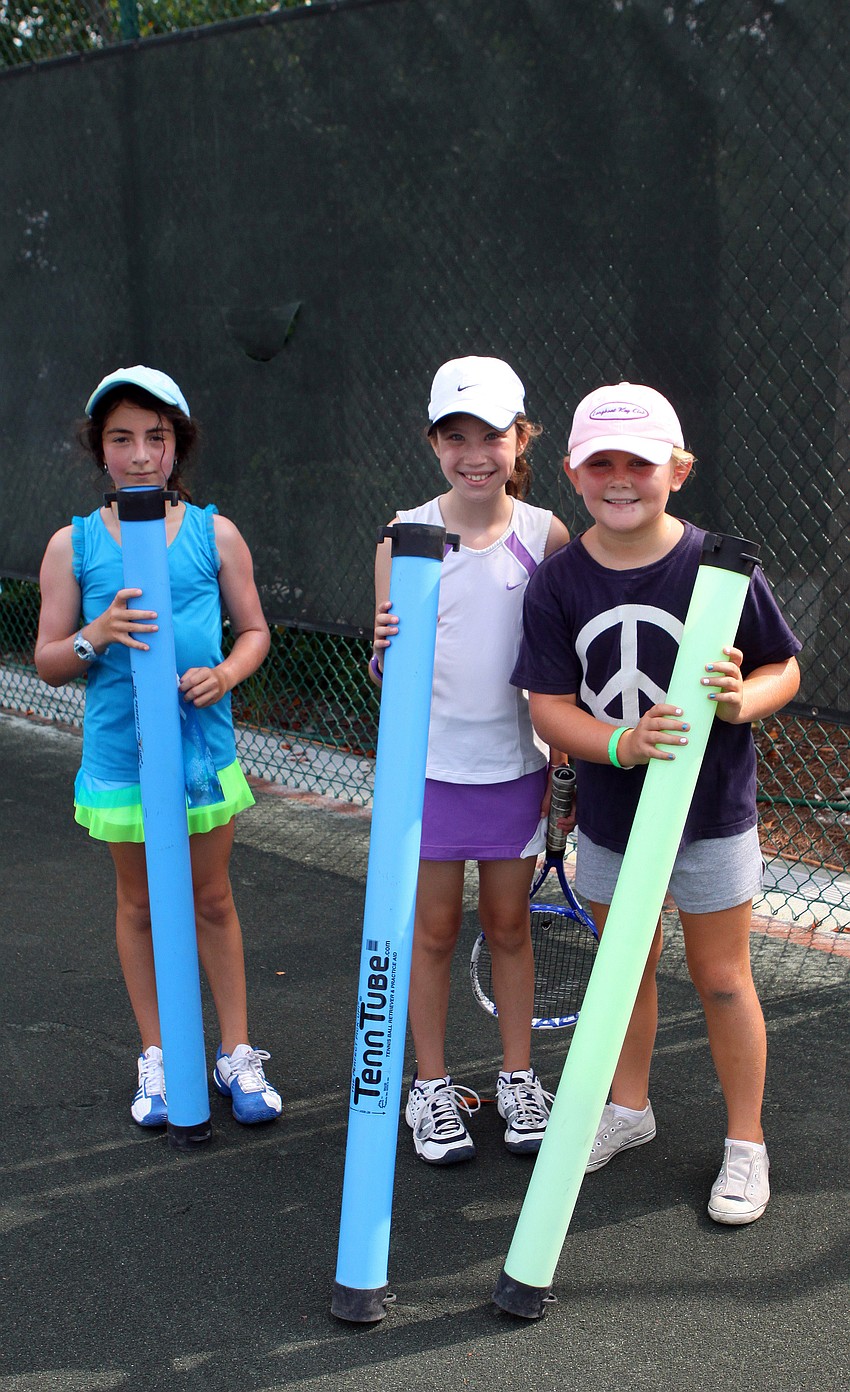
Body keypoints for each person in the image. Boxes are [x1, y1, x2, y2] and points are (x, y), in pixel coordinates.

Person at [511, 381, 801, 1223]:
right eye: (601, 461)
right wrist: (618, 742)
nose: (620, 477)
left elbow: (782, 668)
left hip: (711, 818)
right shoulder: (561, 583)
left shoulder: (722, 567)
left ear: (677, 468)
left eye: (639, 461)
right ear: (572, 470)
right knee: (623, 971)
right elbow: (548, 706)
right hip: (609, 818)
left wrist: (743, 700)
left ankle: (746, 1142)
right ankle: (628, 1111)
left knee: (720, 978)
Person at [35, 365, 282, 1129]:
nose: (140, 454)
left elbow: (255, 631)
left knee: (211, 897)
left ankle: (235, 1050)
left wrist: (227, 673)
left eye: (156, 437)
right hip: (121, 758)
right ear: (99, 451)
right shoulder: (71, 545)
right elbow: (47, 659)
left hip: (202, 754)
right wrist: (94, 634)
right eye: (122, 439)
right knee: (140, 904)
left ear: (178, 446)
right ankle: (162, 1052)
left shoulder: (216, 532)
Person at [371, 356, 571, 1164]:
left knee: (509, 925)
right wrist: (382, 650)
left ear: (520, 439)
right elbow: (391, 666)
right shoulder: (405, 532)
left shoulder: (545, 534)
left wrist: (566, 748)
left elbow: (557, 655)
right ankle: (430, 1087)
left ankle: (518, 1078)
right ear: (434, 443)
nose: (475, 453)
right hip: (426, 776)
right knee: (433, 931)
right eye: (456, 437)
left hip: (515, 772)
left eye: (492, 434)